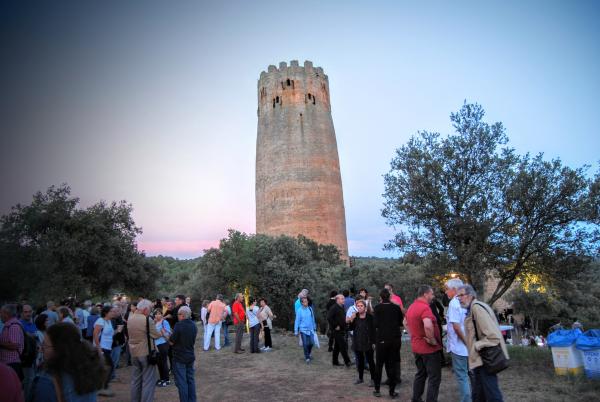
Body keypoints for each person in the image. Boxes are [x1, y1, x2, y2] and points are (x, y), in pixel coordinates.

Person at [29, 323, 106, 402]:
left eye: (45, 345)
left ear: (60, 349)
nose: (41, 349)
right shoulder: (89, 369)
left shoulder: (47, 380)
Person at [458, 284, 508, 402]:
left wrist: (476, 346)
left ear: (470, 295)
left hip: (485, 359)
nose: (459, 298)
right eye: (457, 296)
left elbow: (493, 336)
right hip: (479, 360)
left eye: (461, 295)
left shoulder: (477, 309)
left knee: (492, 395)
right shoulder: (472, 309)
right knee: (478, 394)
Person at [404, 285, 442, 402]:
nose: (433, 296)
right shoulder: (425, 308)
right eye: (432, 294)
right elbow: (427, 325)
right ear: (425, 294)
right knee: (434, 378)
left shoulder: (411, 306)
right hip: (429, 350)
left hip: (417, 348)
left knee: (421, 374)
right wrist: (431, 340)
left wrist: (413, 335)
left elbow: (405, 322)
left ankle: (416, 399)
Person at [127, 299, 162, 402]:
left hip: (133, 352)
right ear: (145, 309)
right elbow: (156, 335)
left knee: (135, 380)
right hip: (146, 352)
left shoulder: (130, 318)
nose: (151, 312)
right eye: (150, 309)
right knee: (148, 381)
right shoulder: (147, 319)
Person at [373, 289, 403, 399]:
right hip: (394, 340)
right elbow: (400, 322)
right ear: (390, 296)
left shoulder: (377, 308)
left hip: (381, 339)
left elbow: (375, 324)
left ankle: (377, 390)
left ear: (380, 297)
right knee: (392, 365)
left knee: (379, 365)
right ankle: (392, 391)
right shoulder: (396, 308)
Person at [445, 279, 471, 402]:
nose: (445, 292)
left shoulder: (454, 303)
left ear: (454, 289)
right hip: (470, 345)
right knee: (471, 375)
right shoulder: (468, 301)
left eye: (447, 289)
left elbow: (456, 326)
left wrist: (465, 342)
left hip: (460, 347)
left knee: (462, 376)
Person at [170, 306, 197, 402]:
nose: (177, 316)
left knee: (182, 382)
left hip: (180, 357)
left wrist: (166, 335)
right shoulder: (194, 325)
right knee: (190, 380)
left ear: (182, 315)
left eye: (178, 314)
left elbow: (172, 342)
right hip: (190, 355)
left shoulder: (179, 325)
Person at [348, 299, 376, 385]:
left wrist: (373, 342)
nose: (359, 308)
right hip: (358, 341)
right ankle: (360, 378)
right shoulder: (355, 316)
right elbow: (351, 328)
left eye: (361, 306)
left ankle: (373, 379)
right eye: (358, 306)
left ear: (365, 307)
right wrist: (351, 320)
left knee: (370, 361)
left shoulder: (370, 317)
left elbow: (373, 330)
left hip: (368, 342)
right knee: (360, 361)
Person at [93, 305, 119, 397]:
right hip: (102, 348)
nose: (113, 313)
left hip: (107, 348)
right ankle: (102, 387)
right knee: (109, 366)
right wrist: (99, 349)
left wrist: (117, 331)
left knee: (106, 367)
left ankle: (102, 387)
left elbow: (109, 334)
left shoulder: (109, 321)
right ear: (106, 313)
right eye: (111, 311)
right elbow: (95, 335)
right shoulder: (100, 321)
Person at [0, 304, 25, 382]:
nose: (0, 315)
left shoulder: (14, 326)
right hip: (8, 364)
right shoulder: (9, 325)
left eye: (1, 313)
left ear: (6, 314)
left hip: (12, 364)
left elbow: (14, 345)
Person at [327, 294, 351, 367]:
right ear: (337, 300)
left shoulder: (341, 307)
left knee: (337, 347)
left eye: (343, 298)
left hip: (342, 329)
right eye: (342, 299)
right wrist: (335, 325)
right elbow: (329, 317)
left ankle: (335, 362)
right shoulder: (334, 308)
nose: (344, 300)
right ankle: (348, 362)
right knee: (343, 345)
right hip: (336, 330)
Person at [152, 309, 172, 387]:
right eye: (156, 314)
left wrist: (161, 333)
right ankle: (162, 378)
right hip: (156, 345)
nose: (157, 315)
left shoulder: (164, 322)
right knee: (159, 362)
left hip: (163, 344)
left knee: (163, 362)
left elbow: (168, 333)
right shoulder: (154, 323)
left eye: (159, 314)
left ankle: (167, 379)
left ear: (162, 315)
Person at [294, 296, 317, 363]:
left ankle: (309, 353)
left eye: (307, 301)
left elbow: (313, 319)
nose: (306, 303)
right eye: (305, 302)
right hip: (303, 330)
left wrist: (314, 327)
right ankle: (307, 357)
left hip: (311, 329)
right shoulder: (299, 311)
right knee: (305, 344)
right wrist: (296, 330)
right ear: (301, 303)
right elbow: (297, 321)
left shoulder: (310, 309)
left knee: (312, 343)